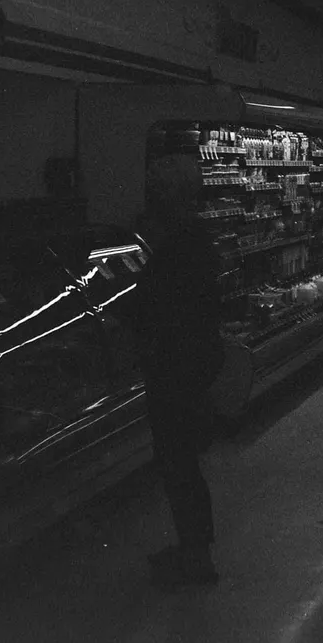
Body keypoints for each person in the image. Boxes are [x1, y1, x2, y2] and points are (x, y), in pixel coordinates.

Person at [134, 154, 224, 587]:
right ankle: (196, 549)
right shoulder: (199, 240)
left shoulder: (175, 244)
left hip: (174, 367)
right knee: (185, 462)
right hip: (197, 363)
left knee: (177, 463)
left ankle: (195, 556)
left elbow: (155, 304)